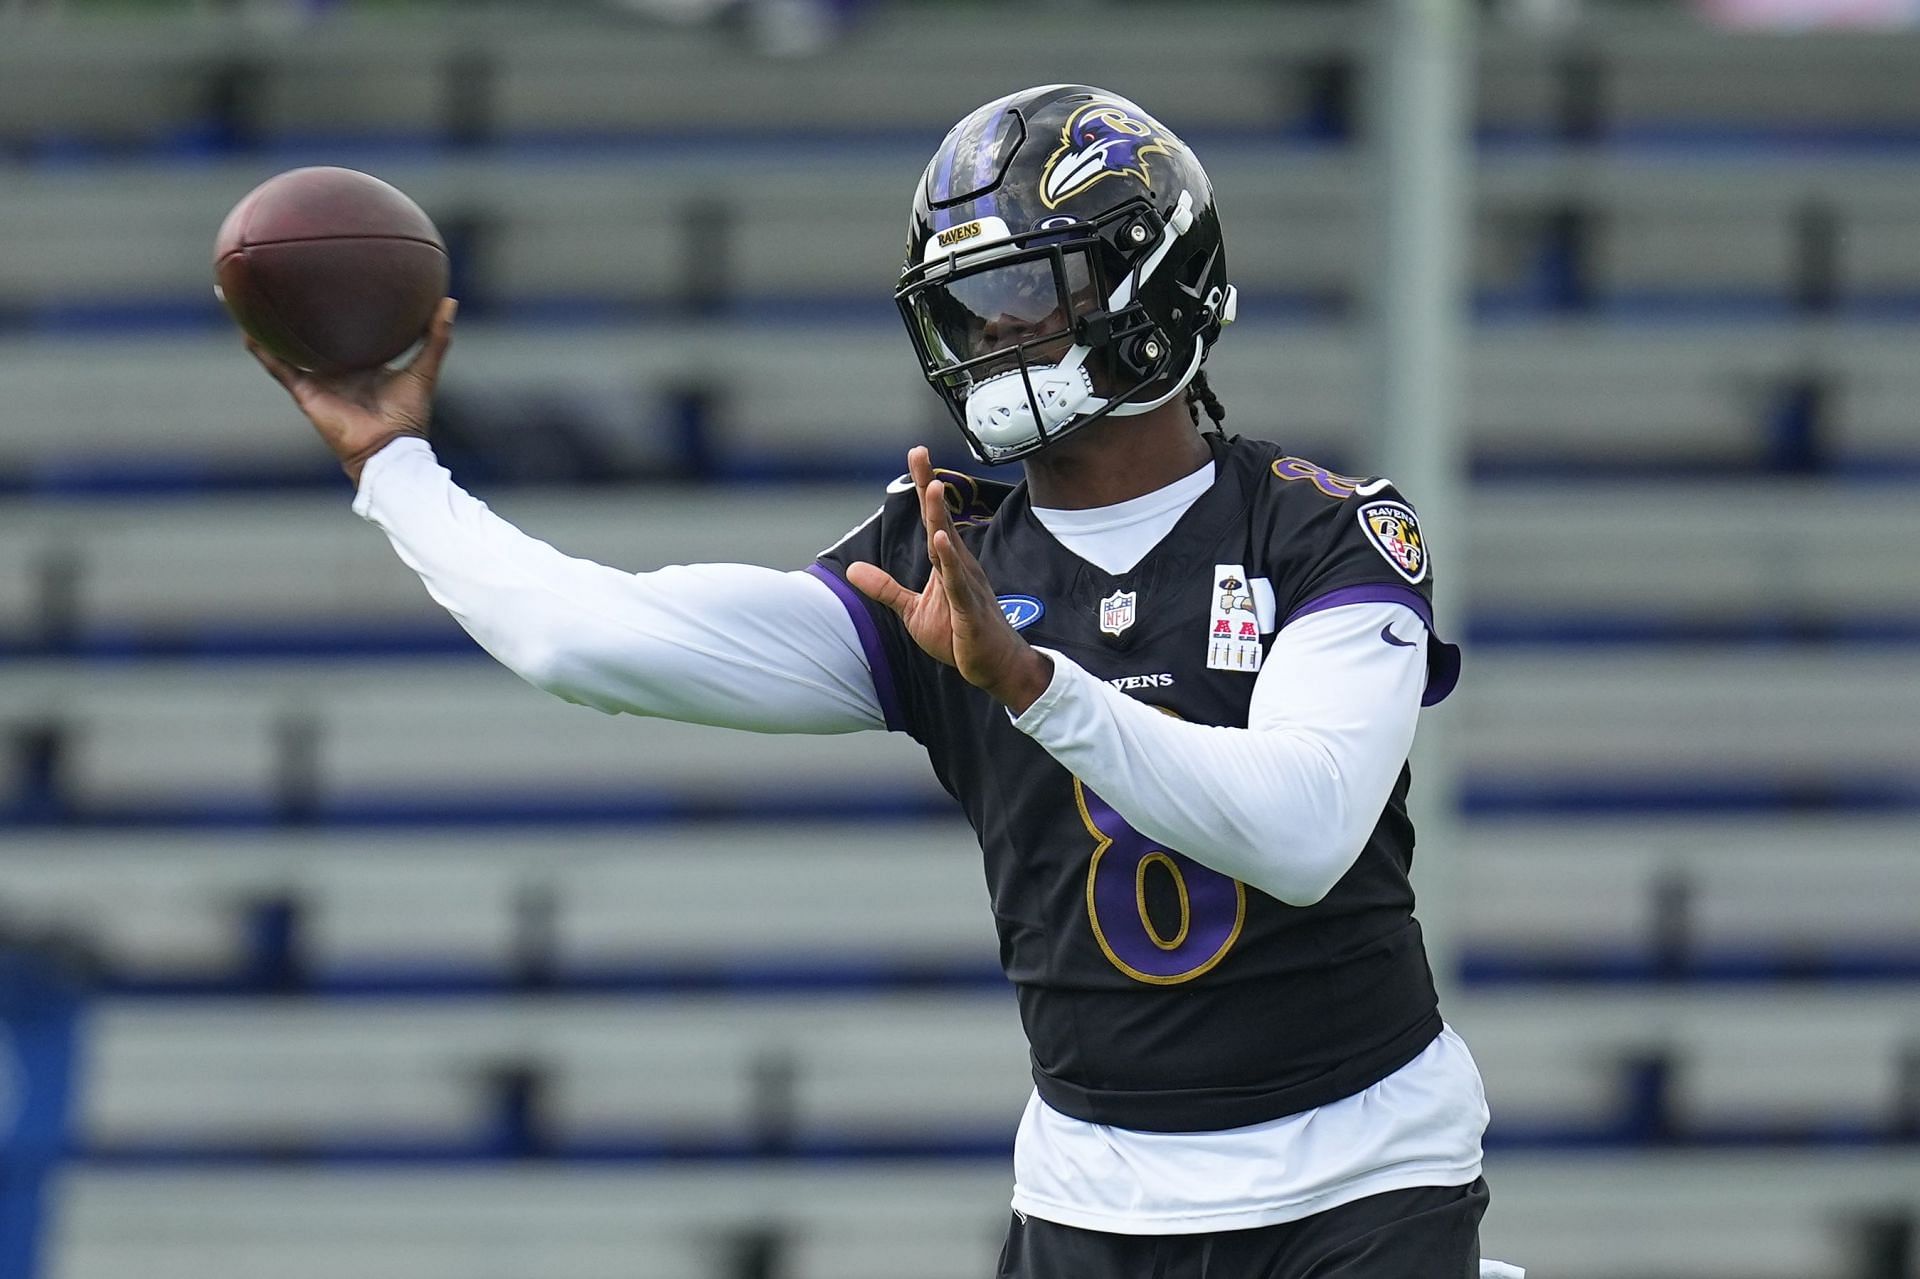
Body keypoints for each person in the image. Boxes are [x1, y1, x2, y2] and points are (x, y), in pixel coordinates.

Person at [250, 84, 1510, 1279]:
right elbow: (589, 640)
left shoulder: (1322, 534)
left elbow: (1300, 829)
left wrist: (1032, 684)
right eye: (972, 302)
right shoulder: (935, 559)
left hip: (1361, 1169)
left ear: (1151, 282)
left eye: (1028, 288)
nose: (995, 333)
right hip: (1096, 1185)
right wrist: (394, 467)